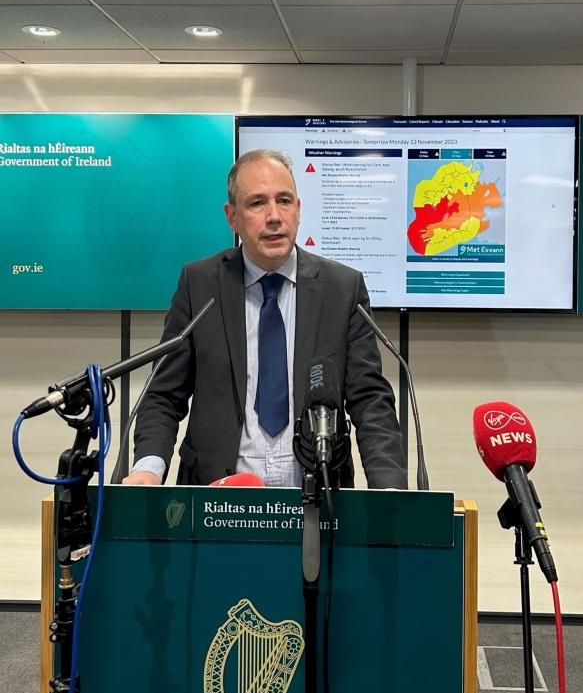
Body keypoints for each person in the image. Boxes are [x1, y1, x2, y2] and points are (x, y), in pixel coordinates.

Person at [123, 149, 407, 489]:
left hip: (317, 495)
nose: (274, 216)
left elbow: (370, 400)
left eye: (284, 201)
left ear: (298, 209)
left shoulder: (342, 288)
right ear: (232, 217)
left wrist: (389, 487)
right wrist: (148, 469)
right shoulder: (200, 285)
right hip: (217, 494)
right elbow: (163, 395)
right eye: (257, 203)